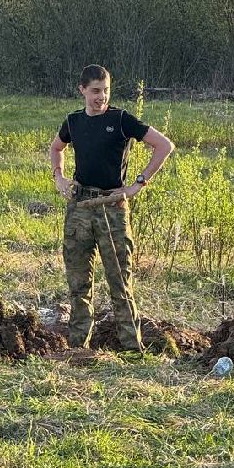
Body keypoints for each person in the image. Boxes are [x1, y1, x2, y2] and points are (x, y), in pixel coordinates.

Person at [48, 65, 175, 351]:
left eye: (105, 91)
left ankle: (132, 350)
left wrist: (138, 184)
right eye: (95, 91)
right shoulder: (73, 122)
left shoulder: (121, 120)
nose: (101, 97)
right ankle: (78, 349)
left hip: (112, 208)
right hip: (79, 207)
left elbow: (164, 146)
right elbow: (56, 148)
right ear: (82, 90)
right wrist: (59, 177)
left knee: (120, 282)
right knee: (78, 284)